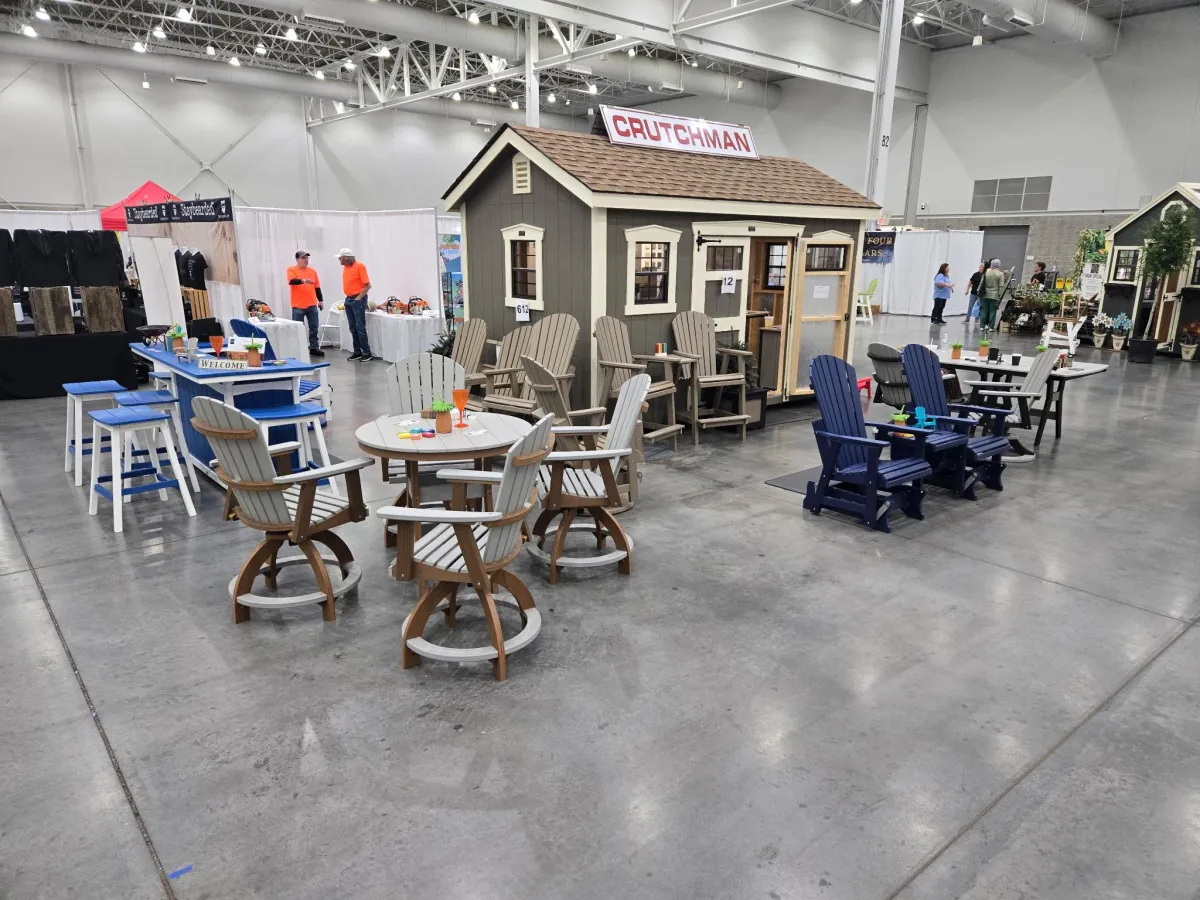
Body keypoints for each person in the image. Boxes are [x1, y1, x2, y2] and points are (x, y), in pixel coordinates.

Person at [338, 248, 377, 361]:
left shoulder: (359, 266)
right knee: (352, 327)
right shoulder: (346, 267)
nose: (339, 260)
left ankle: (366, 352)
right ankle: (357, 351)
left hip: (357, 299)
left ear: (345, 258)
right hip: (349, 298)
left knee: (360, 327)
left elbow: (367, 285)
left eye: (340, 258)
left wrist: (358, 298)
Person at [286, 250, 325, 358]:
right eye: (303, 258)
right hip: (298, 305)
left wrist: (320, 301)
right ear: (297, 259)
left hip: (312, 304)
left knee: (314, 327)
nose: (306, 260)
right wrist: (304, 280)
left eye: (307, 258)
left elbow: (317, 287)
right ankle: (300, 348)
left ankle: (314, 348)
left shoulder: (312, 271)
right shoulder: (291, 269)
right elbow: (291, 281)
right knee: (298, 328)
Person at [979, 258, 1007, 332]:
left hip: (984, 293)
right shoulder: (1000, 274)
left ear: (992, 264)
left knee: (984, 310)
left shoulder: (986, 272)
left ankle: (982, 326)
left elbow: (981, 283)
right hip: (994, 294)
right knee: (992, 311)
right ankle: (990, 327)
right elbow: (1001, 286)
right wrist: (999, 295)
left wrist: (979, 291)